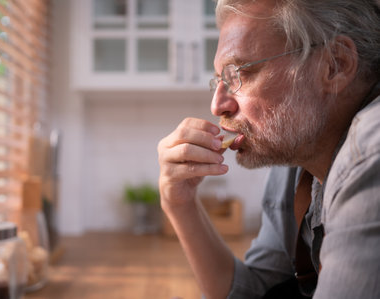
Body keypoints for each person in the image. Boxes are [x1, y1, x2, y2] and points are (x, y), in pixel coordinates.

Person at [157, 0, 380, 298]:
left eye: (240, 74)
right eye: (220, 80)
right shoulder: (298, 150)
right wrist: (180, 203)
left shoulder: (370, 155)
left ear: (335, 64)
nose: (218, 105)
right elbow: (257, 291)